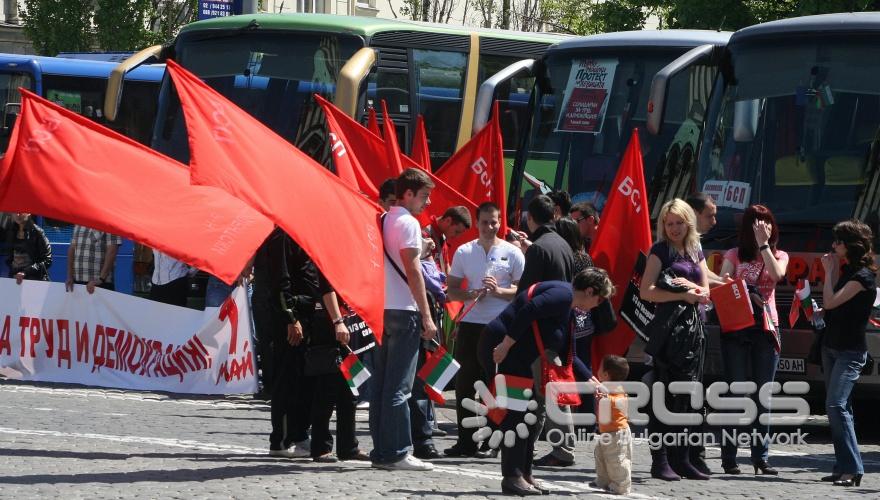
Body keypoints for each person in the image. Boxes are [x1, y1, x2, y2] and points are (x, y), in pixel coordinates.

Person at [482, 268, 615, 496]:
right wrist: (505, 345)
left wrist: (589, 379)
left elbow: (567, 350)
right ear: (590, 291)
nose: (598, 305)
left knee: (531, 416)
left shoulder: (569, 306)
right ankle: (512, 477)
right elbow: (528, 310)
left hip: (517, 356)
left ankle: (525, 474)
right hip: (503, 351)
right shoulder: (564, 295)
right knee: (517, 416)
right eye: (600, 300)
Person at [444, 202, 524, 458]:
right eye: (485, 222)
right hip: (471, 324)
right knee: (466, 383)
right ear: (477, 224)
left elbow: (522, 292)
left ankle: (493, 441)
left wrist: (499, 291)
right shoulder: (464, 252)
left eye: (495, 222)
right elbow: (452, 289)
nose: (490, 227)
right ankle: (465, 442)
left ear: (501, 222)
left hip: (500, 326)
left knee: (496, 385)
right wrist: (471, 293)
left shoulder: (513, 252)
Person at [639, 198, 711, 482]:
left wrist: (692, 289)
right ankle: (661, 460)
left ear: (688, 222)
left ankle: (682, 459)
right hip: (669, 330)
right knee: (664, 396)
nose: (674, 228)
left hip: (694, 330)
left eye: (679, 222)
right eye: (669, 224)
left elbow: (705, 290)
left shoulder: (695, 249)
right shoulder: (659, 251)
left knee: (689, 397)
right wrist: (681, 295)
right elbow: (646, 291)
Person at [371, 167, 437, 471]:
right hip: (405, 310)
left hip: (382, 308)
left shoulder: (383, 218)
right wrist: (427, 315)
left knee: (383, 385)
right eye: (423, 196)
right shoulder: (409, 223)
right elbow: (412, 270)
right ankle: (397, 451)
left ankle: (383, 451)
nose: (427, 203)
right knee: (399, 387)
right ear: (408, 194)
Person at [718, 205, 788, 475]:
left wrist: (764, 246)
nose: (764, 228)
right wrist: (745, 289)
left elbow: (778, 274)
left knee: (762, 396)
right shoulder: (733, 255)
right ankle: (729, 457)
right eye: (758, 224)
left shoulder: (779, 253)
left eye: (768, 223)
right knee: (735, 393)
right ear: (747, 229)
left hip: (767, 328)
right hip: (737, 327)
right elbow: (722, 283)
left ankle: (760, 458)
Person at [516, 194, 576, 467]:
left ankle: (563, 448)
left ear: (530, 218)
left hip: (540, 330)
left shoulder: (539, 248)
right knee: (545, 390)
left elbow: (527, 295)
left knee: (549, 390)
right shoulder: (563, 244)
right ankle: (528, 443)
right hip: (559, 325)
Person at [817, 220, 876, 488]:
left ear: (849, 245)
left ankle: (853, 468)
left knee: (836, 405)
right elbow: (834, 307)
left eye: (837, 242)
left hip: (850, 352)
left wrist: (828, 272)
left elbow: (831, 299)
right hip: (831, 346)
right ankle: (842, 465)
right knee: (840, 409)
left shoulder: (862, 277)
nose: (833, 246)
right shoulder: (849, 272)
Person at [260, 228, 316, 459]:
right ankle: (281, 440)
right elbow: (280, 283)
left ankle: (299, 433)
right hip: (290, 319)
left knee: (302, 382)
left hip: (307, 314)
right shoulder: (281, 237)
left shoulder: (301, 233)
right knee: (287, 381)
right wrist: (291, 319)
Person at [308, 275, 370, 463]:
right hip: (330, 324)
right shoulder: (327, 255)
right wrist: (337, 321)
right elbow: (327, 287)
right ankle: (320, 447)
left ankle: (348, 446)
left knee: (349, 392)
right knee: (326, 391)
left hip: (350, 322)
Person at [591, 355, 633, 495]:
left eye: (600, 367)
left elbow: (619, 403)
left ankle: (621, 485)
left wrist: (605, 396)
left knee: (617, 460)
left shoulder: (617, 389)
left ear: (606, 374)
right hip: (606, 432)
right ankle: (603, 480)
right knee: (601, 455)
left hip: (617, 433)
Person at [517, 194, 574, 294]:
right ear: (553, 216)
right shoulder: (565, 244)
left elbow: (525, 293)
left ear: (529, 216)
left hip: (543, 307)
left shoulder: (538, 248)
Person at [65, 225, 121, 294]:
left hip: (99, 284)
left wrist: (101, 279)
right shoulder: (79, 223)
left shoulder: (109, 222)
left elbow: (112, 250)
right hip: (77, 283)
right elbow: (72, 248)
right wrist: (70, 276)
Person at [422, 205, 472, 275]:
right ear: (448, 220)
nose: (457, 236)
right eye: (457, 232)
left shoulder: (442, 235)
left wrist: (452, 284)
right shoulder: (425, 232)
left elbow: (446, 266)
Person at [4, 213, 50, 283]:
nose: (18, 214)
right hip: (15, 279)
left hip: (34, 281)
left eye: (21, 211)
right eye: (15, 211)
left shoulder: (37, 232)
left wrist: (25, 272)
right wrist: (14, 271)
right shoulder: (11, 232)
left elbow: (47, 260)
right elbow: (10, 258)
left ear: (29, 213)